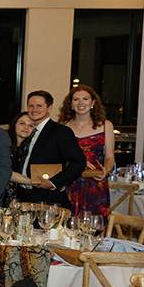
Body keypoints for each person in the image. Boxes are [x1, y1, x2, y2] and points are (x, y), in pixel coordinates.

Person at [20, 89, 86, 209]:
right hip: (23, 196)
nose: (34, 109)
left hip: (47, 199)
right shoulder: (26, 131)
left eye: (39, 106)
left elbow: (78, 162)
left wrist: (54, 182)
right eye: (31, 106)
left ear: (49, 108)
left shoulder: (60, 131)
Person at [60, 84, 114, 216]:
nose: (81, 103)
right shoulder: (62, 127)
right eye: (76, 99)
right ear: (71, 104)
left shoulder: (106, 125)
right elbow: (58, 157)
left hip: (96, 181)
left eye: (85, 99)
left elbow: (109, 156)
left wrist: (106, 170)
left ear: (93, 103)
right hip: (70, 181)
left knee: (96, 223)